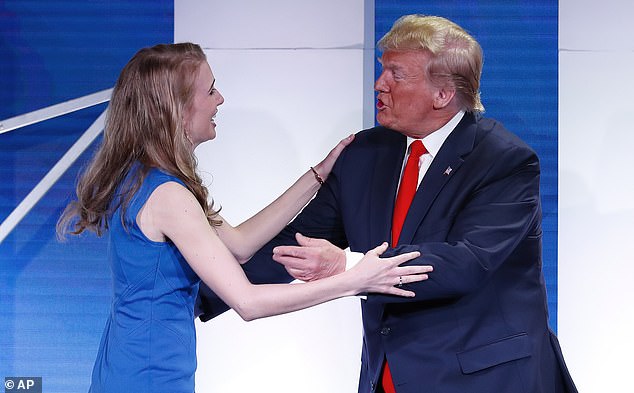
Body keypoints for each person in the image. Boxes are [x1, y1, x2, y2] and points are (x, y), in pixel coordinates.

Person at [196, 15, 578, 393]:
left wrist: (346, 265)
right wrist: (195, 295)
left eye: (396, 74)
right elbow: (297, 244)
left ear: (442, 94)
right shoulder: (365, 153)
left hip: (487, 380)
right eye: (382, 70)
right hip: (390, 377)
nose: (379, 84)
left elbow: (465, 263)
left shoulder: (503, 161)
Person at [56, 42, 432, 393]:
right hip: (148, 375)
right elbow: (248, 302)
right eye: (210, 91)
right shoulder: (170, 196)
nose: (220, 99)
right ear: (178, 108)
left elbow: (240, 245)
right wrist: (354, 280)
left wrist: (317, 175)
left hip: (126, 365)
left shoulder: (146, 177)